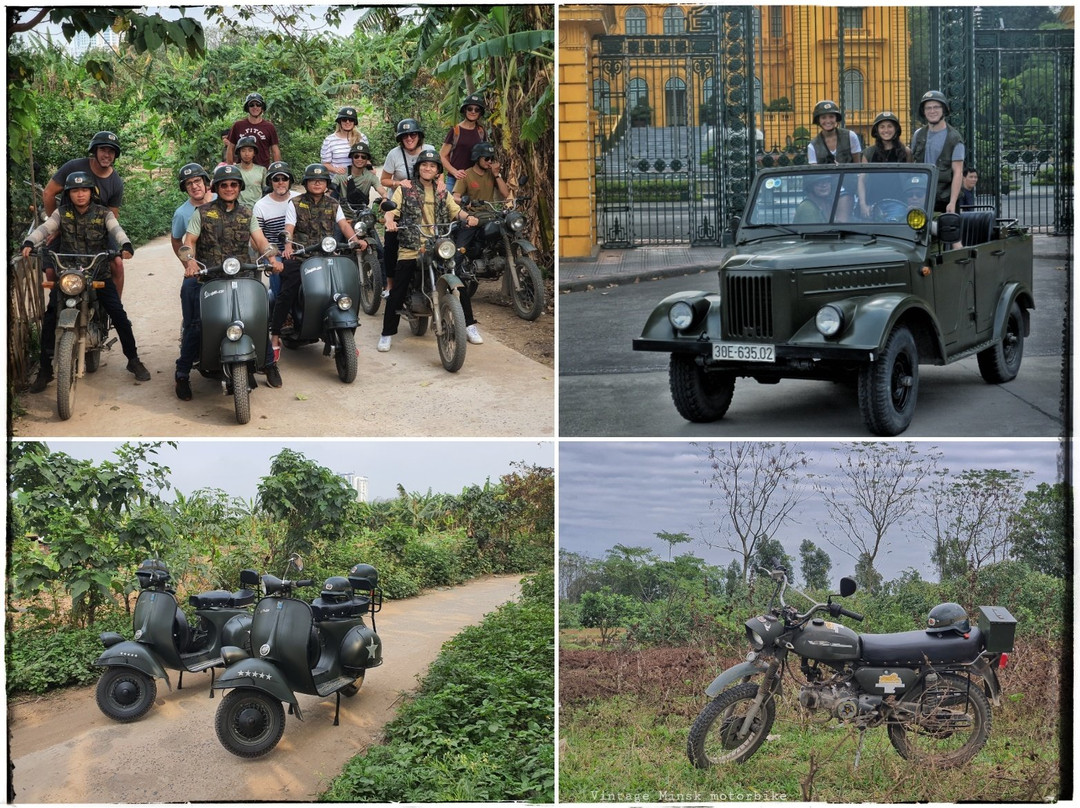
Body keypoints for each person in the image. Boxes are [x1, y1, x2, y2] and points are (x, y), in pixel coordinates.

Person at [22, 171, 150, 392]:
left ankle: (133, 359)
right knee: (51, 316)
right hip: (69, 276)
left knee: (118, 315)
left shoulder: (103, 213)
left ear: (91, 192)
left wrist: (125, 244)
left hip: (97, 274)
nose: (80, 194)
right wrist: (30, 241)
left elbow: (116, 230)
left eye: (84, 190)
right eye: (74, 190)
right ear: (68, 194)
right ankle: (45, 371)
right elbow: (46, 228)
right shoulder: (61, 214)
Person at [177, 164, 283, 400]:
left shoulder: (247, 213)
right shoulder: (202, 213)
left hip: (242, 276)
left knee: (256, 319)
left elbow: (261, 241)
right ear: (216, 187)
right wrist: (191, 263)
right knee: (195, 324)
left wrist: (272, 257)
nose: (228, 188)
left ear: (239, 187)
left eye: (233, 184)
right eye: (224, 185)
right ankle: (182, 373)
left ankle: (268, 364)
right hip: (209, 277)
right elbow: (189, 241)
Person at [377, 147, 483, 353]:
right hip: (412, 247)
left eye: (432, 165)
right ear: (418, 168)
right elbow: (392, 210)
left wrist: (467, 217)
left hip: (438, 245)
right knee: (398, 289)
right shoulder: (405, 188)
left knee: (458, 282)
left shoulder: (443, 190)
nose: (428, 168)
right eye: (424, 165)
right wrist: (389, 220)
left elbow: (455, 210)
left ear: (437, 171)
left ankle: (469, 325)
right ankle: (387, 333)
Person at [271, 164, 364, 356]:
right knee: (287, 289)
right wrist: (288, 246)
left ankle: (347, 335)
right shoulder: (295, 203)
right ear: (306, 183)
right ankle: (275, 335)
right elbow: (289, 227)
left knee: (348, 288)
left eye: (321, 180)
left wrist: (355, 240)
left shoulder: (333, 203)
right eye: (313, 180)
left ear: (327, 183)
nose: (317, 183)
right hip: (301, 257)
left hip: (327, 256)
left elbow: (344, 226)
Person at [43, 131, 128, 297]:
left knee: (117, 263)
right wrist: (56, 227)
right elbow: (48, 193)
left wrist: (111, 237)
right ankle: (57, 307)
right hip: (67, 226)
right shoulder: (73, 167)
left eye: (111, 151)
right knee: (50, 270)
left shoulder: (116, 182)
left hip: (98, 229)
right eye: (103, 149)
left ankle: (116, 309)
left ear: (115, 155)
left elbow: (113, 214)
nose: (107, 155)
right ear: (94, 151)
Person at [380, 118, 430, 298]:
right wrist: (398, 182)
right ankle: (390, 284)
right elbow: (383, 180)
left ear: (419, 136)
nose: (409, 138)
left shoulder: (429, 150)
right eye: (405, 136)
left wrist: (440, 184)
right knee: (391, 242)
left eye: (413, 134)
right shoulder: (394, 154)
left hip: (425, 204)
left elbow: (438, 173)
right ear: (400, 138)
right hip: (399, 203)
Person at [453, 141, 511, 266]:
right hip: (472, 217)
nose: (490, 161)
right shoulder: (466, 175)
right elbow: (454, 197)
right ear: (477, 158)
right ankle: (454, 277)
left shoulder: (492, 174)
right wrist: (465, 200)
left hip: (490, 216)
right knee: (459, 253)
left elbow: (506, 194)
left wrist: (496, 175)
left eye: (492, 158)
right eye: (486, 158)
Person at [911, 90, 966, 214]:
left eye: (936, 107)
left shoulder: (954, 138)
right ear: (923, 112)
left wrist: (952, 202)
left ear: (944, 110)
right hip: (921, 196)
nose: (932, 111)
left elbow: (958, 172)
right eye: (928, 108)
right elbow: (912, 165)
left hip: (944, 199)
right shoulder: (918, 135)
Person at [252, 161, 300, 300]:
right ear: (270, 182)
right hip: (274, 252)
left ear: (289, 181)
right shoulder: (260, 206)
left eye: (284, 178)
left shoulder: (298, 199)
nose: (280, 182)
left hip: (300, 250)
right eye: (276, 179)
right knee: (278, 274)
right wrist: (271, 253)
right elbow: (256, 238)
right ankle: (279, 310)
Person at [857, 110, 913, 218]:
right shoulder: (869, 153)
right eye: (882, 127)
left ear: (896, 129)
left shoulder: (906, 152)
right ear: (877, 130)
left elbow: (910, 179)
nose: (886, 130)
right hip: (873, 203)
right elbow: (861, 180)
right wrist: (863, 204)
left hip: (899, 203)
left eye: (890, 126)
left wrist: (910, 203)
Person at [440, 93, 488, 194]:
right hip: (454, 179)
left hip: (473, 180)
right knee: (449, 207)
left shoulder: (481, 131)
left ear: (480, 113)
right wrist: (454, 172)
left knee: (474, 209)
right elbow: (442, 155)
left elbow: (484, 156)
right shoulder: (455, 131)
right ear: (465, 110)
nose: (473, 112)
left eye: (477, 109)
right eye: (470, 108)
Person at [225, 92, 281, 168]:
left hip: (263, 169)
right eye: (251, 105)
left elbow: (275, 150)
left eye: (258, 104)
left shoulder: (269, 127)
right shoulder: (238, 125)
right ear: (247, 108)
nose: (255, 107)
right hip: (241, 170)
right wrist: (230, 168)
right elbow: (230, 148)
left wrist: (277, 169)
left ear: (262, 107)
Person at [333, 141, 387, 220]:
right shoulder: (341, 175)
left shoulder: (370, 176)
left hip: (363, 215)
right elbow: (329, 191)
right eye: (356, 156)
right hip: (343, 217)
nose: (359, 159)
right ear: (352, 157)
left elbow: (382, 190)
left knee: (372, 232)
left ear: (367, 160)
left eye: (363, 157)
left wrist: (385, 198)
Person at [807, 100, 862, 165]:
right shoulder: (812, 146)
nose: (828, 121)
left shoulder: (850, 136)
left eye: (831, 117)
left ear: (836, 118)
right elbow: (814, 172)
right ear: (818, 120)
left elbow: (857, 165)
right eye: (823, 117)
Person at [321, 106, 366, 176]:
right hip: (337, 181)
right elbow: (325, 164)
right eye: (344, 119)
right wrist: (335, 170)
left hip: (358, 180)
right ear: (340, 122)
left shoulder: (362, 138)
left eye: (351, 120)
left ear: (354, 122)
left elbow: (366, 159)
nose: (347, 122)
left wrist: (371, 169)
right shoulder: (329, 140)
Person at [234, 136, 267, 209]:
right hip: (238, 209)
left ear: (254, 153)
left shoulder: (261, 170)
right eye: (243, 150)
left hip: (258, 208)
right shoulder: (234, 170)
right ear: (239, 153)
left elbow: (266, 191)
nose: (247, 154)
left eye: (250, 150)